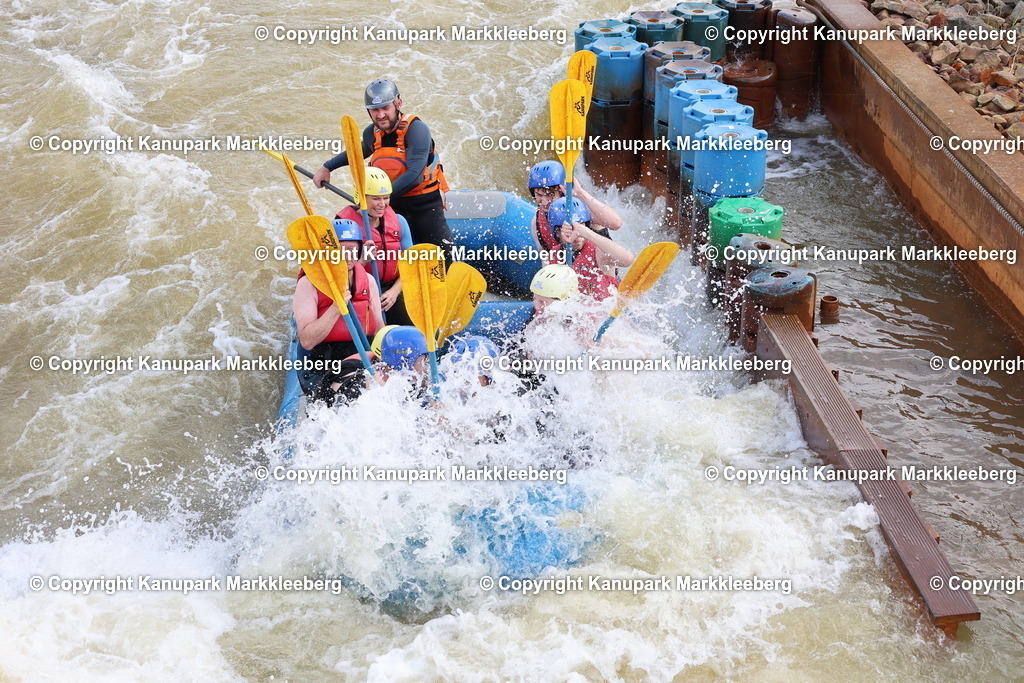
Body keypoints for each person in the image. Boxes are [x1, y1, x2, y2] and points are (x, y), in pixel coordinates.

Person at [313, 79, 453, 260]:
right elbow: (359, 151)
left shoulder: (417, 130)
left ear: (398, 103)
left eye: (386, 108)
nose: (380, 115)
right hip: (390, 207)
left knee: (446, 256)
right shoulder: (372, 133)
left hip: (424, 206)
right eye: (375, 110)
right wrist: (327, 167)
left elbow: (415, 176)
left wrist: (377, 199)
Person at [293, 218, 384, 399]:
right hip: (321, 363)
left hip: (359, 355)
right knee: (355, 387)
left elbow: (380, 329)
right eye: (341, 250)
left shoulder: (369, 280)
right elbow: (307, 342)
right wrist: (336, 307)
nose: (348, 256)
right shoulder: (308, 285)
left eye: (352, 250)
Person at [335, 166, 414, 325]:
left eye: (386, 198)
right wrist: (363, 260)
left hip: (392, 289)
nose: (382, 204)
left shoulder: (399, 221)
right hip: (359, 291)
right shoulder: (343, 229)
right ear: (361, 198)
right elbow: (338, 276)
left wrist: (395, 291)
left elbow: (411, 264)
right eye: (376, 198)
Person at [527, 161, 623, 265]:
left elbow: (616, 223)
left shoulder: (581, 209)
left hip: (598, 271)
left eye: (550, 194)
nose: (544, 202)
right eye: (539, 195)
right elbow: (546, 259)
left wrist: (581, 194)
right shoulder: (536, 222)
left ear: (561, 190)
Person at [546, 198, 634, 301]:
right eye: (570, 230)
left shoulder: (599, 251)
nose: (577, 236)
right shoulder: (554, 255)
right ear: (557, 232)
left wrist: (585, 232)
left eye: (580, 229)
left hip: (605, 311)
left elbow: (627, 259)